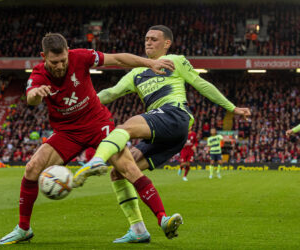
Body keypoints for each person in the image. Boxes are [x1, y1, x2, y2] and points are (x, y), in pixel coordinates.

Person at [73, 25, 251, 243]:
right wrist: (79, 105)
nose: (148, 42)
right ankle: (147, 226)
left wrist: (232, 108)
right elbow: (110, 93)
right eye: (146, 38)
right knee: (120, 172)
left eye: (154, 39)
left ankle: (96, 160)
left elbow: (201, 84)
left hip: (175, 114)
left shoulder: (175, 61)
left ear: (167, 43)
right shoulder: (136, 72)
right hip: (167, 134)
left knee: (123, 129)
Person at [0, 33, 176, 245]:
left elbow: (117, 59)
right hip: (67, 133)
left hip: (98, 124)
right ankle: (24, 229)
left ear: (67, 52)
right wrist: (37, 93)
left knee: (128, 168)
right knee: (32, 168)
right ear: (43, 56)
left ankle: (162, 218)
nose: (61, 65)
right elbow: (31, 99)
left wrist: (150, 62)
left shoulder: (81, 57)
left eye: (63, 60)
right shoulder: (38, 75)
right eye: (54, 62)